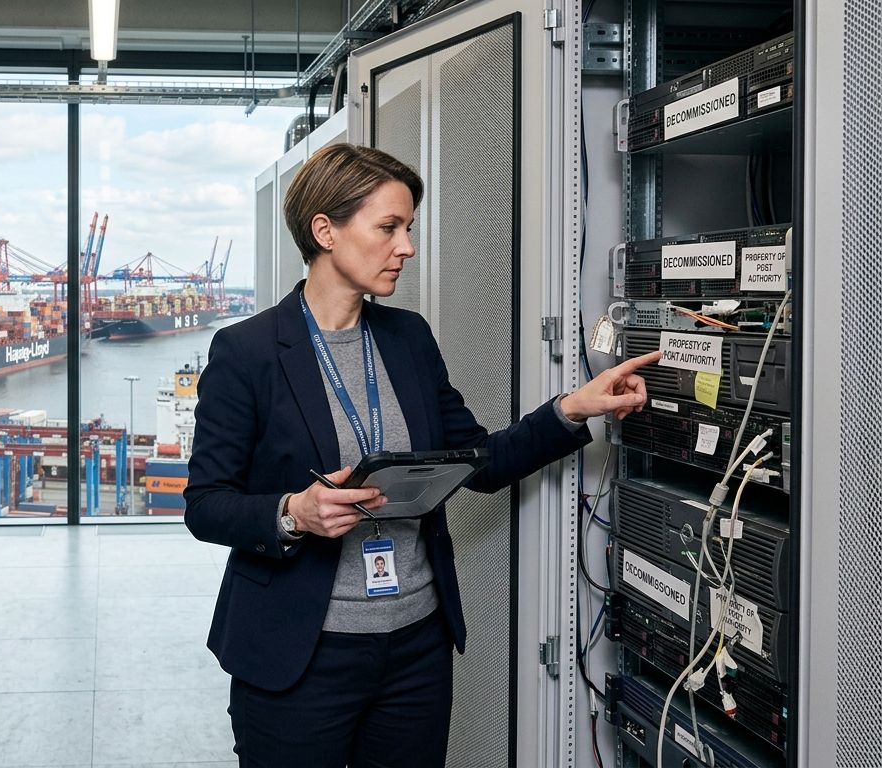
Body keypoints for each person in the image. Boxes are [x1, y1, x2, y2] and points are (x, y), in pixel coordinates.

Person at [183, 143, 661, 768]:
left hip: (415, 652)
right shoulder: (246, 352)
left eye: (408, 228)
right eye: (389, 228)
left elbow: (480, 462)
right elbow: (205, 505)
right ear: (324, 230)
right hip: (299, 654)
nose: (406, 246)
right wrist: (293, 513)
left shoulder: (408, 338)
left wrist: (574, 408)